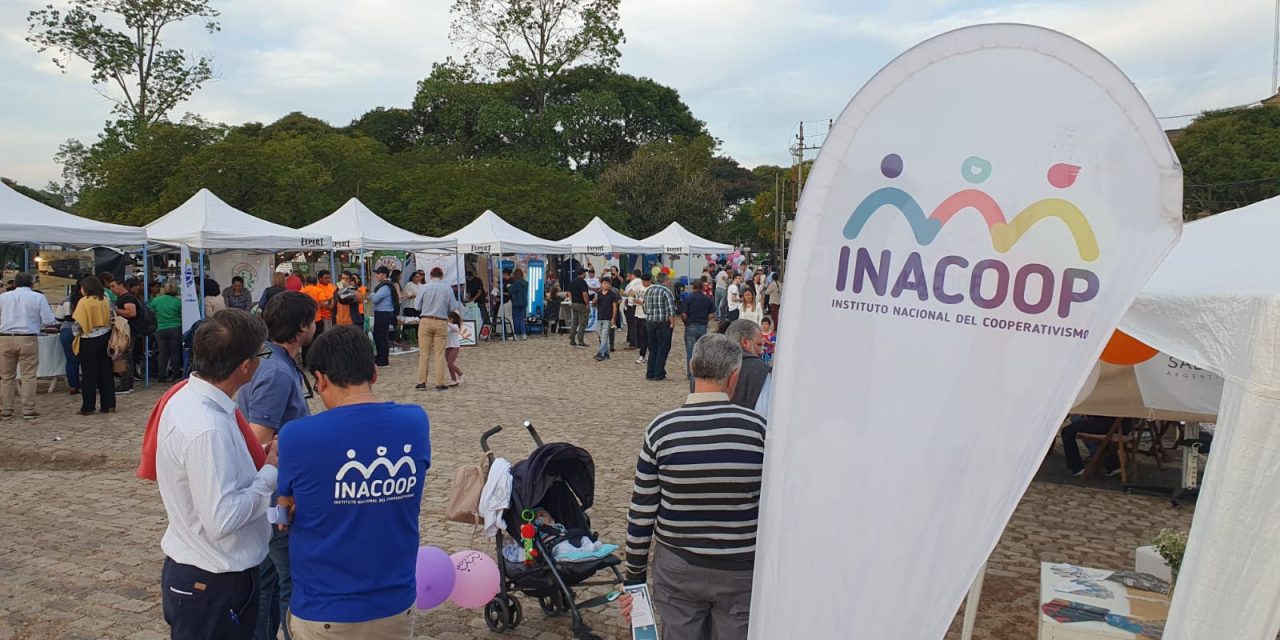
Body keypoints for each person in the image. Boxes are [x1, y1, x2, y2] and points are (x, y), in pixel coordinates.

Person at [277, 325, 429, 639]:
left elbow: (283, 510)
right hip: (395, 606)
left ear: (320, 380)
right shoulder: (415, 422)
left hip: (324, 610)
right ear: (374, 373)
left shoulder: (298, 435)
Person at [622, 333, 766, 640]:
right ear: (734, 377)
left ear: (691, 367)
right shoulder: (758, 430)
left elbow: (642, 510)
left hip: (678, 566)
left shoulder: (661, 430)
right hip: (741, 570)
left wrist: (634, 576)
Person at [153, 309, 277, 640]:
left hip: (205, 572)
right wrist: (270, 474)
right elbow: (221, 518)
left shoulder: (189, 398)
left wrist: (259, 457)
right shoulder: (208, 428)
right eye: (261, 355)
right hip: (213, 579)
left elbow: (215, 474)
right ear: (245, 366)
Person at [236, 292, 317, 640]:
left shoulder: (271, 360)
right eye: (312, 320)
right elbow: (260, 440)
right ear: (300, 327)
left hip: (274, 490)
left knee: (267, 580)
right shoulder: (277, 372)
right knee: (290, 582)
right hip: (278, 495)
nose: (316, 326)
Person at [0, 272, 56, 419]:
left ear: (15, 283)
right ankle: (28, 409)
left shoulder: (3, 297)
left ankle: (5, 409)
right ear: (32, 283)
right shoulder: (38, 297)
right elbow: (49, 320)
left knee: (6, 376)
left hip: (5, 338)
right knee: (28, 375)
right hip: (27, 338)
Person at [414, 267, 462, 391]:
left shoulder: (423, 287)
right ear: (442, 276)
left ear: (430, 275)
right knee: (439, 354)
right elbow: (453, 307)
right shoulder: (447, 288)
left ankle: (422, 382)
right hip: (441, 321)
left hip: (425, 320)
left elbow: (417, 306)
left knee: (424, 354)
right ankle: (439, 383)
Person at [72, 276, 115, 415]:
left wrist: (75, 334)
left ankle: (88, 406)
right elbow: (113, 317)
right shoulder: (105, 300)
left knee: (89, 374)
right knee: (106, 372)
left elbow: (78, 325)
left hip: (88, 339)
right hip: (105, 337)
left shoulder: (83, 302)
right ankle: (109, 404)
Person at [679, 276, 717, 390]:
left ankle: (690, 373)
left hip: (690, 326)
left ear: (693, 287)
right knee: (702, 351)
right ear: (702, 287)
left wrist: (685, 323)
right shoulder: (707, 299)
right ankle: (701, 372)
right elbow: (712, 313)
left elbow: (683, 314)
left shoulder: (688, 298)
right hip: (702, 326)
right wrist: (706, 319)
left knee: (690, 351)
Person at [724, 319, 771, 410]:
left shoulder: (710, 367)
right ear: (745, 342)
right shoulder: (761, 371)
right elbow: (763, 411)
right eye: (759, 345)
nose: (761, 352)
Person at [1061, 415, 1129, 477]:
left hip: (1107, 425)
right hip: (1123, 427)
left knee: (1067, 431)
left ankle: (1077, 468)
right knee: (1079, 419)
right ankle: (1112, 464)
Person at [642, 273, 677, 381]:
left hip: (650, 322)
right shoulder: (666, 291)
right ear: (665, 280)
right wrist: (672, 323)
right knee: (663, 347)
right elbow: (671, 310)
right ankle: (659, 372)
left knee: (652, 348)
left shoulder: (649, 290)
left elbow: (644, 307)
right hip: (662, 322)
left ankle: (650, 372)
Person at [111, 277, 142, 394]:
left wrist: (115, 310)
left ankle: (125, 384)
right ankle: (126, 383)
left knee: (124, 356)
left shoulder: (128, 298)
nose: (112, 289)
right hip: (124, 331)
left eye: (113, 286)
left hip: (127, 331)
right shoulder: (123, 298)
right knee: (123, 356)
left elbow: (131, 312)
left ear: (121, 285)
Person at [150, 282, 184, 382]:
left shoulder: (156, 300)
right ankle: (175, 375)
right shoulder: (179, 301)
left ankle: (161, 376)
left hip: (160, 328)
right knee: (175, 352)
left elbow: (151, 313)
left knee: (162, 352)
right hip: (176, 328)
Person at [57, 280, 83, 395]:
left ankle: (73, 385)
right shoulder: (89, 300)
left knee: (71, 360)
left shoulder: (65, 300)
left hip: (67, 330)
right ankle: (88, 383)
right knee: (87, 359)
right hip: (84, 329)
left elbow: (58, 317)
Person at [370, 266, 398, 367]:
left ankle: (383, 360)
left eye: (378, 273)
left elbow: (374, 299)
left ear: (384, 275)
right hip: (382, 313)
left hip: (383, 314)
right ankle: (380, 358)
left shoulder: (385, 287)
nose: (376, 276)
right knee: (379, 336)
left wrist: (372, 295)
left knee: (381, 337)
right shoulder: (384, 285)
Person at [593, 278, 620, 362]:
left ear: (610, 285)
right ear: (601, 284)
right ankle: (606, 353)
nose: (606, 285)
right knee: (600, 335)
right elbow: (594, 305)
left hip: (608, 317)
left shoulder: (612, 294)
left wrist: (613, 318)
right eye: (604, 283)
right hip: (600, 317)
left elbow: (614, 306)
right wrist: (594, 301)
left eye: (608, 283)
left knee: (604, 336)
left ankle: (600, 353)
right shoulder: (598, 294)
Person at [568, 270, 590, 348]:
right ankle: (580, 341)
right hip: (581, 304)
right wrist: (587, 304)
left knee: (574, 323)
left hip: (574, 303)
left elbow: (569, 292)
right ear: (583, 273)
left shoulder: (573, 282)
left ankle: (572, 340)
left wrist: (571, 300)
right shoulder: (583, 282)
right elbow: (584, 294)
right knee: (582, 323)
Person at [445, 311, 467, 386]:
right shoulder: (447, 326)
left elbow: (454, 328)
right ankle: (453, 380)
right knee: (449, 365)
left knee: (450, 364)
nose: (447, 319)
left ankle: (461, 375)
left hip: (454, 347)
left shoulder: (455, 326)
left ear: (452, 319)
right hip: (447, 347)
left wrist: (445, 322)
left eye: (448, 318)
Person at [623, 270, 642, 350]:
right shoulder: (641, 282)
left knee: (632, 324)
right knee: (639, 324)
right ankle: (639, 342)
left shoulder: (633, 282)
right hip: (639, 304)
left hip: (632, 304)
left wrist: (623, 293)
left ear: (633, 275)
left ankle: (633, 343)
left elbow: (629, 293)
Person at [509, 268, 529, 340]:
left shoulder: (516, 283)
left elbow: (510, 290)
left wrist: (510, 286)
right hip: (523, 303)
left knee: (516, 319)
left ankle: (516, 335)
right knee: (522, 319)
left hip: (516, 303)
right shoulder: (526, 283)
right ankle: (524, 334)